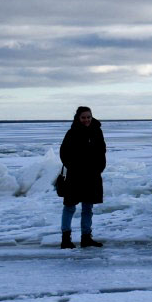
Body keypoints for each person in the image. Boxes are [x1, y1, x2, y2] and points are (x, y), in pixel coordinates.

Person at [57, 106, 105, 249]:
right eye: (83, 117)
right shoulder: (72, 133)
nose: (86, 120)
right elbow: (63, 153)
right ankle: (66, 239)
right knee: (69, 207)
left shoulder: (97, 131)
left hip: (92, 176)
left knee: (88, 208)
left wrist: (99, 168)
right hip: (75, 176)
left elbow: (102, 151)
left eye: (88, 117)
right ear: (78, 118)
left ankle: (86, 237)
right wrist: (73, 166)